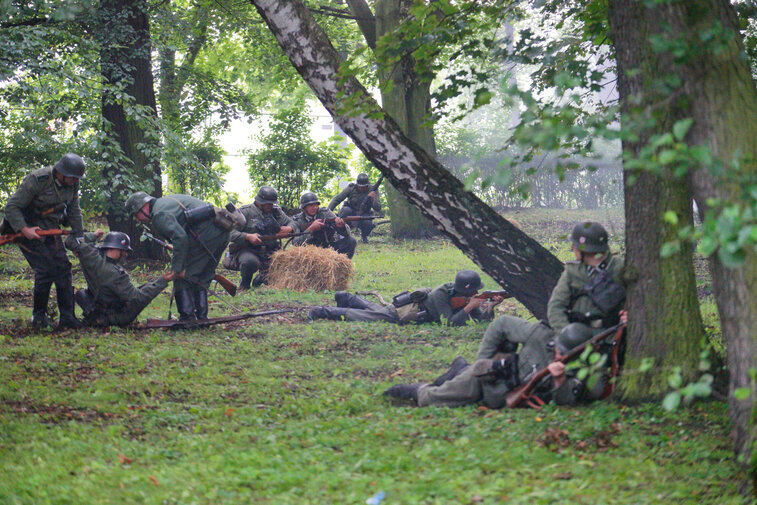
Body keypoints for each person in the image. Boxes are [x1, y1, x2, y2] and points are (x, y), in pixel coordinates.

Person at [475, 221, 625, 360]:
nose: (572, 248)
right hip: (570, 334)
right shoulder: (573, 272)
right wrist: (567, 336)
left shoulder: (621, 268)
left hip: (607, 338)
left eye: (574, 245)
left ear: (582, 249)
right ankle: (481, 370)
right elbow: (555, 308)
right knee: (503, 324)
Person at [383, 322, 621, 408]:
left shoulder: (583, 371)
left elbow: (576, 397)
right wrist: (482, 362)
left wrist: (560, 380)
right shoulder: (541, 334)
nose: (557, 354)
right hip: (494, 375)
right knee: (434, 398)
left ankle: (460, 369)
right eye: (556, 348)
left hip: (506, 394)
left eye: (563, 353)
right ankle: (417, 389)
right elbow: (501, 325)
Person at [3, 153, 87, 329]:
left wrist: (79, 236)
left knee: (63, 267)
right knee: (45, 269)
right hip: (24, 228)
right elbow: (12, 207)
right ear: (60, 173)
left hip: (49, 228)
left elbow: (73, 210)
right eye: (71, 178)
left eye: (75, 179)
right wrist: (24, 230)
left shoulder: (73, 183)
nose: (74, 181)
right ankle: (39, 318)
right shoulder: (38, 180)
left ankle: (67, 317)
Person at [125, 191, 230, 320]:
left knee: (182, 276)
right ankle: (202, 317)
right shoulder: (168, 201)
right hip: (223, 234)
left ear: (143, 207)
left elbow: (180, 238)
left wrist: (176, 268)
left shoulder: (159, 215)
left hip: (206, 236)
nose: (137, 219)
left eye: (136, 215)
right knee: (204, 275)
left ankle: (187, 318)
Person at [308, 270, 503, 326]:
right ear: (466, 290)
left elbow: (482, 320)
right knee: (365, 316)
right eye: (473, 292)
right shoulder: (442, 294)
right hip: (405, 313)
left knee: (375, 310)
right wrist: (469, 308)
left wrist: (491, 307)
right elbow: (449, 322)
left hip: (409, 313)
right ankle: (322, 311)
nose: (475, 296)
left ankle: (347, 297)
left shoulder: (465, 297)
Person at [65, 231, 175, 326]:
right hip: (114, 316)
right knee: (142, 294)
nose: (125, 254)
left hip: (96, 306)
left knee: (145, 286)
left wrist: (92, 236)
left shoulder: (90, 256)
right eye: (124, 251)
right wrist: (163, 280)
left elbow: (70, 240)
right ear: (118, 249)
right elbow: (137, 298)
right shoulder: (117, 275)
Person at [223, 186, 296, 290]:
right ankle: (245, 284)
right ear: (259, 201)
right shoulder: (245, 212)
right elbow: (229, 232)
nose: (270, 205)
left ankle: (262, 278)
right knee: (249, 262)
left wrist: (290, 228)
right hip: (249, 249)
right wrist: (247, 236)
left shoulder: (276, 212)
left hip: (271, 250)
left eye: (272, 203)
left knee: (286, 264)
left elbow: (292, 222)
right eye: (267, 203)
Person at [292, 192, 356, 258]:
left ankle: (342, 266)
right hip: (309, 251)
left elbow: (347, 234)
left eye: (316, 205)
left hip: (328, 246)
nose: (314, 208)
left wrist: (341, 226)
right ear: (304, 207)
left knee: (351, 241)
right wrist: (310, 229)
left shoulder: (325, 213)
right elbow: (295, 243)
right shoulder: (298, 220)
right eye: (310, 205)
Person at [328, 173, 381, 242]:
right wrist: (328, 212)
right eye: (360, 186)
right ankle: (341, 234)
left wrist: (372, 199)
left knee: (368, 223)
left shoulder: (373, 190)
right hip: (350, 212)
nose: (362, 188)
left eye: (364, 186)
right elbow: (337, 199)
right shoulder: (351, 188)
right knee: (345, 210)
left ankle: (364, 236)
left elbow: (378, 208)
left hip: (364, 214)